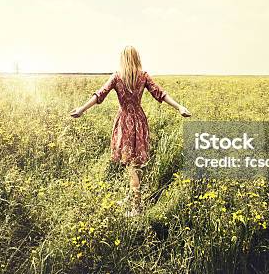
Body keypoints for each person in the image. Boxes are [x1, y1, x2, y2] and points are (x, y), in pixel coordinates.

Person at [70, 46, 191, 216]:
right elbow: (161, 94)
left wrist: (82, 109)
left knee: (131, 164)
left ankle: (136, 207)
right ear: (136, 58)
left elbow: (100, 94)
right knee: (133, 163)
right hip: (139, 120)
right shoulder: (143, 76)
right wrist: (179, 107)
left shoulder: (117, 76)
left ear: (123, 59)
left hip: (125, 121)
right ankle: (132, 198)